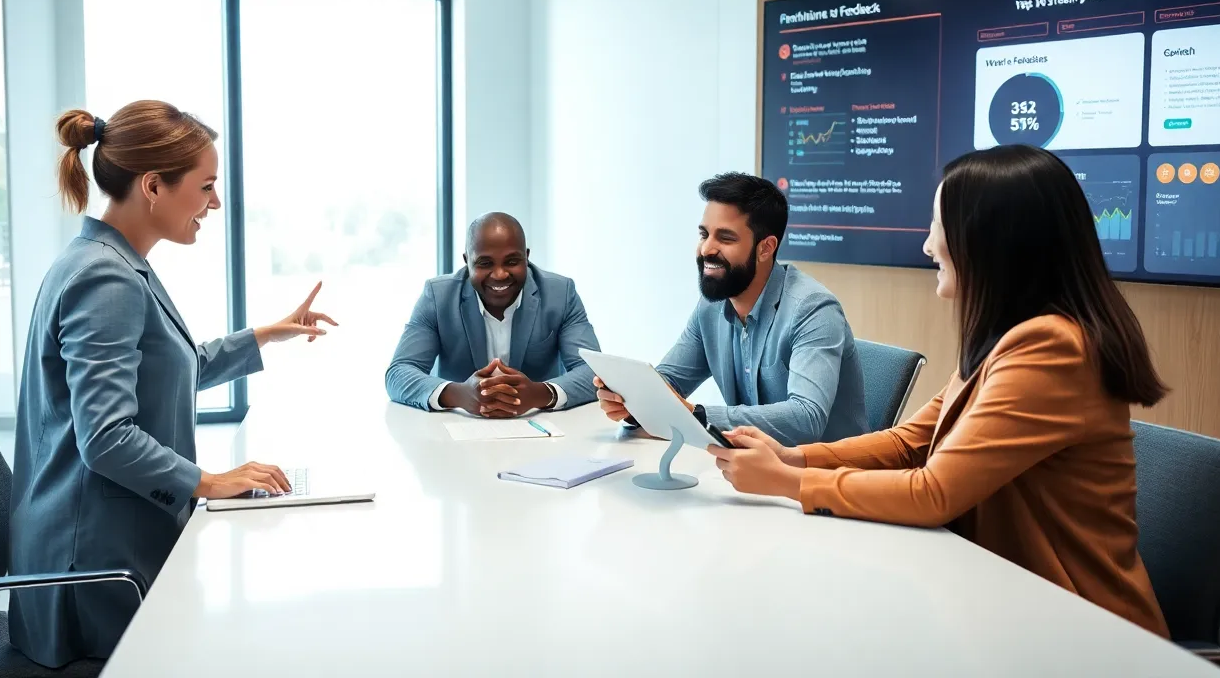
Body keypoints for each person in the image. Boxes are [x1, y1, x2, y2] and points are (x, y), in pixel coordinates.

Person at [708, 144, 1169, 636]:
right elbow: (911, 442)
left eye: (938, 225)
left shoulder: (1051, 348)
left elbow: (934, 492)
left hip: (1083, 627)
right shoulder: (1008, 339)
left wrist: (787, 483)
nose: (928, 246)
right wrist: (795, 458)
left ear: (991, 240)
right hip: (1001, 595)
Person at [9, 101, 339, 668]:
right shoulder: (104, 278)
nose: (215, 203)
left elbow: (168, 367)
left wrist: (266, 334)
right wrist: (210, 482)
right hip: (94, 567)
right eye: (207, 186)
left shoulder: (109, 259)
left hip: (104, 537)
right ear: (154, 186)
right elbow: (107, 437)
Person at [595, 172, 867, 447]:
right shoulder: (712, 307)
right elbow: (669, 384)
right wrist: (633, 403)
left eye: (725, 238)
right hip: (755, 469)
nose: (706, 249)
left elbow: (806, 419)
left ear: (765, 248)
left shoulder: (813, 309)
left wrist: (697, 415)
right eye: (704, 234)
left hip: (824, 478)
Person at [386, 212, 600, 416]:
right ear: (467, 261)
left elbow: (593, 371)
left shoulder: (560, 294)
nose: (499, 274)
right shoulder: (438, 296)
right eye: (485, 263)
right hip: (457, 429)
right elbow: (399, 373)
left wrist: (540, 394)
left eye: (512, 261)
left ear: (526, 257)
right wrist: (460, 395)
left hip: (544, 428)